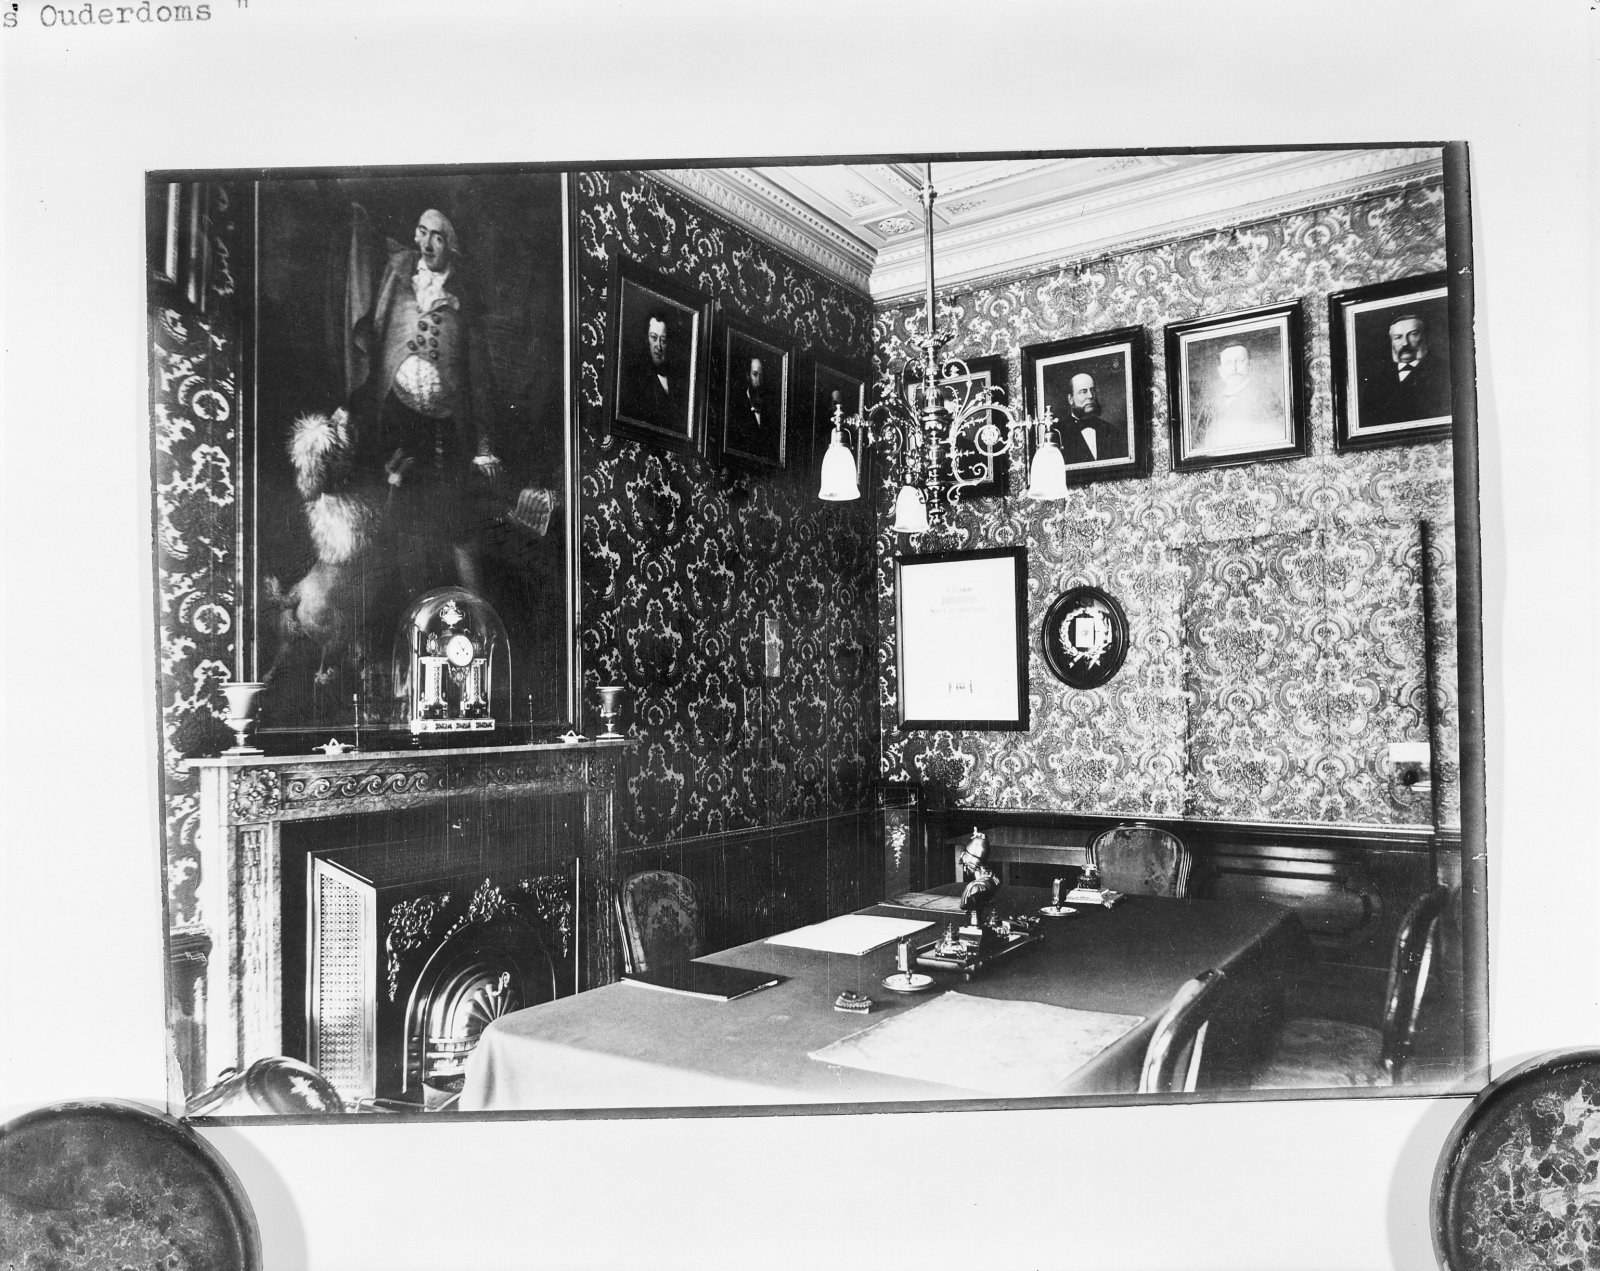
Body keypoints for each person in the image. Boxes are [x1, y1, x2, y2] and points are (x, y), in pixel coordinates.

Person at [348, 206, 502, 595]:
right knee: (399, 512)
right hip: (398, 416)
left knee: (456, 520)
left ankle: (474, 608)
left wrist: (484, 446)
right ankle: (409, 605)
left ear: (451, 246)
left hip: (445, 427)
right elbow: (378, 344)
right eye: (422, 232)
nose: (428, 243)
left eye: (438, 236)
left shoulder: (463, 298)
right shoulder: (398, 280)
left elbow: (479, 375)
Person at [1192, 341, 1285, 452]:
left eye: (1240, 361)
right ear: (1220, 370)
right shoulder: (1210, 404)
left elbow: (1278, 438)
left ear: (1250, 364)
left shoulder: (1266, 397)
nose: (1234, 368)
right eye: (1228, 363)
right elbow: (1197, 444)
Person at [1364, 313, 1449, 426]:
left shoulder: (1444, 372)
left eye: (1413, 334)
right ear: (1392, 342)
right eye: (1398, 337)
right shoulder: (1376, 381)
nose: (1405, 343)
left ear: (1425, 337)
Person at [621, 310, 686, 432]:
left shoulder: (678, 380)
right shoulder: (636, 377)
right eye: (654, 338)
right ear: (646, 340)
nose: (659, 346)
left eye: (663, 340)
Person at [1057, 371, 1128, 466]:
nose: (1090, 396)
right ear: (1070, 399)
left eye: (1092, 390)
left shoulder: (1111, 431)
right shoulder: (1058, 433)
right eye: (1083, 392)